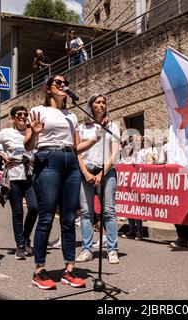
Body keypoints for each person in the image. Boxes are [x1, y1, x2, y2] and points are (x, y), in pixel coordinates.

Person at [24, 74, 100, 290]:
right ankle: (39, 271)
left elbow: (76, 147)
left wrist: (94, 139)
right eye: (57, 83)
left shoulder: (72, 116)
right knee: (47, 216)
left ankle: (69, 269)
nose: (62, 85)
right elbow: (28, 146)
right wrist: (35, 134)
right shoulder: (39, 111)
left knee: (68, 218)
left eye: (64, 82)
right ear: (48, 88)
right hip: (48, 159)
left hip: (71, 162)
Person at [0, 106, 38, 260]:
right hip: (13, 176)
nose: (23, 117)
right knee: (17, 211)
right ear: (13, 118)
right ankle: (20, 245)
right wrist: (1, 155)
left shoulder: (33, 131)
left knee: (34, 208)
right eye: (19, 114)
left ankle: (26, 236)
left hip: (30, 175)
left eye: (25, 114)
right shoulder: (6, 133)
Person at [75, 93, 120, 264]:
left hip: (106, 171)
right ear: (91, 105)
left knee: (109, 211)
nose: (101, 105)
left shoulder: (112, 126)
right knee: (86, 212)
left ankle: (112, 250)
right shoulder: (82, 128)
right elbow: (77, 151)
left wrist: (102, 173)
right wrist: (85, 172)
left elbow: (114, 152)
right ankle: (86, 250)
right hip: (86, 170)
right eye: (98, 102)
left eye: (104, 102)